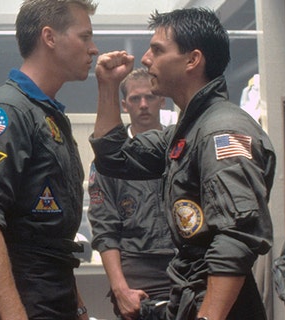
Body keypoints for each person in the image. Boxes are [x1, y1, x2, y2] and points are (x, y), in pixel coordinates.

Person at [90, 8, 276, 320]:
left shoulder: (220, 131)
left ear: (192, 60)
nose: (146, 59)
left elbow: (237, 236)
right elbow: (113, 158)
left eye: (158, 50)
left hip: (217, 304)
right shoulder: (187, 131)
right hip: (191, 292)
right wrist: (108, 86)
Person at [0, 0, 99, 319]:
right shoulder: (6, 112)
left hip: (52, 297)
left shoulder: (47, 115)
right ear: (50, 37)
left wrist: (78, 306)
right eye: (85, 37)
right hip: (20, 300)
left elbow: (49, 241)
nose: (94, 49)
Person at [87, 68, 175, 320]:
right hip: (137, 271)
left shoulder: (181, 148)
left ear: (162, 100)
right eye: (135, 99)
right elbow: (104, 229)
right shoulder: (109, 159)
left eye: (149, 97)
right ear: (125, 105)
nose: (143, 105)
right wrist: (119, 288)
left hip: (184, 266)